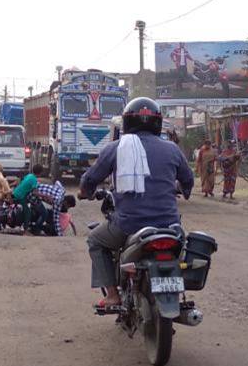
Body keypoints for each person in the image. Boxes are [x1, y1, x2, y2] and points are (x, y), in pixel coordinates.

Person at [79, 97, 194, 309]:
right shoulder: (172, 149)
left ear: (127, 122)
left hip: (129, 225)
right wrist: (184, 191)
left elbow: (90, 179)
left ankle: (112, 295)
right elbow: (188, 180)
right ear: (158, 123)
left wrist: (85, 192)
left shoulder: (116, 148)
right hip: (170, 226)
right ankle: (174, 293)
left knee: (95, 241)